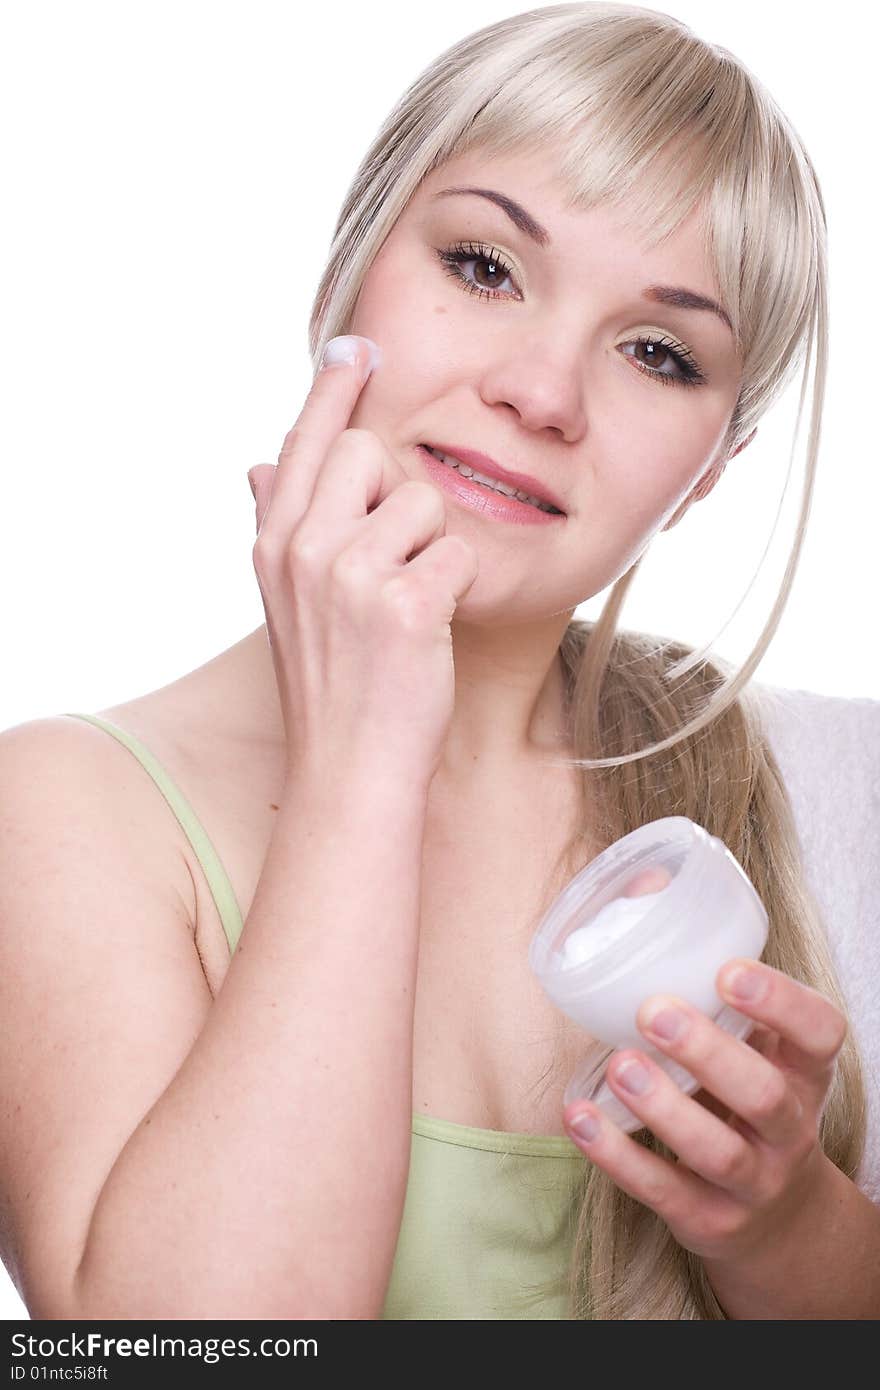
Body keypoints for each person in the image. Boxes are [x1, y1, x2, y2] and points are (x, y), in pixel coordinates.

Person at [0, 1, 877, 1322]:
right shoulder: (60, 816)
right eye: (483, 266)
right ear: (343, 278)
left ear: (711, 472)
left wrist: (789, 1225)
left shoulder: (824, 790)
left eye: (658, 350)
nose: (543, 390)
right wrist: (365, 755)